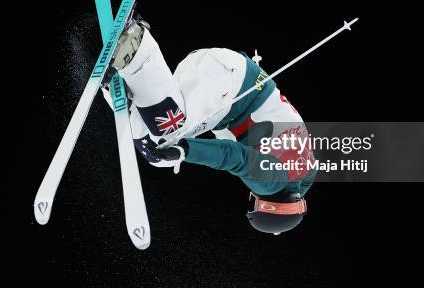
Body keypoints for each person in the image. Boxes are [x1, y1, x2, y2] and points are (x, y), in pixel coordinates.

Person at [101, 16, 317, 234]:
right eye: (255, 205)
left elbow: (302, 183)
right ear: (269, 206)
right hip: (227, 87)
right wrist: (186, 151)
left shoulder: (303, 172)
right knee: (165, 140)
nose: (253, 196)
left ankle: (126, 88)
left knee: (158, 145)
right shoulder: (272, 184)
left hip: (226, 80)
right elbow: (233, 157)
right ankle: (136, 47)